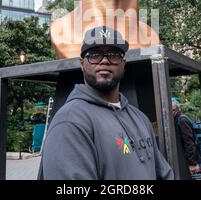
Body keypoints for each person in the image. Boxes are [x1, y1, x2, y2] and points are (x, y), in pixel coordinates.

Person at [42, 26, 173, 180]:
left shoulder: (139, 118)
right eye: (95, 54)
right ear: (82, 63)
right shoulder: (70, 122)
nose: (104, 60)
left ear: (123, 64)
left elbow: (165, 174)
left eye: (113, 55)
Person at [171, 100, 201, 176]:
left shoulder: (181, 120)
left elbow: (189, 142)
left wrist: (192, 163)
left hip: (187, 160)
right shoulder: (179, 119)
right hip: (186, 158)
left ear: (175, 110)